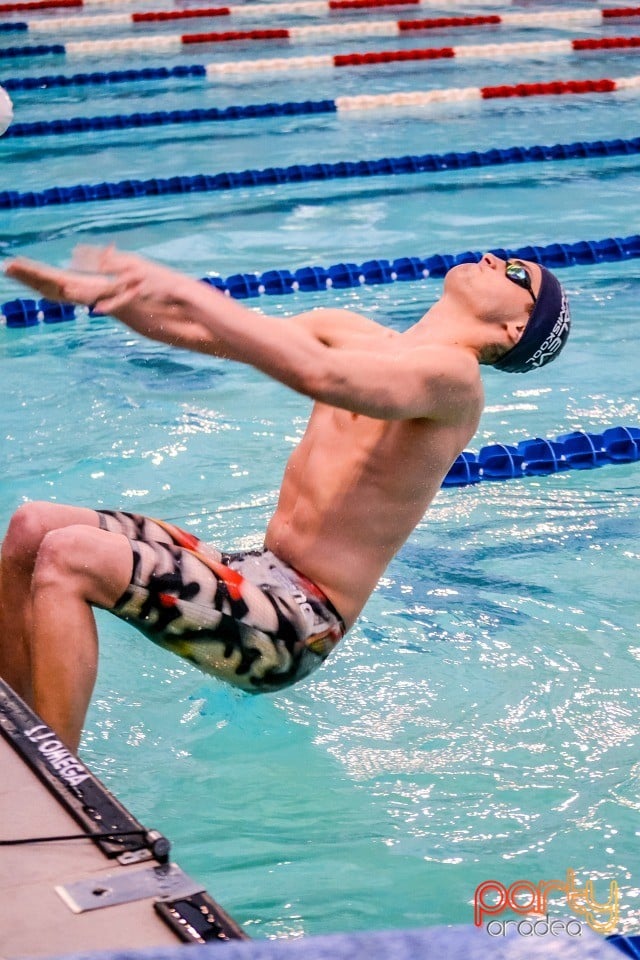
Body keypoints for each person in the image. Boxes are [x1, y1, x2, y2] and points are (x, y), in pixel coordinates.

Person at [0, 246, 571, 752]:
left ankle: (62, 797)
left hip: (298, 622)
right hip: (250, 572)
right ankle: (16, 732)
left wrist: (182, 288)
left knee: (69, 556)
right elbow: (209, 336)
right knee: (32, 526)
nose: (497, 260)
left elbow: (319, 375)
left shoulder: (455, 381)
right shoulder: (347, 329)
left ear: (515, 330)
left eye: (518, 272)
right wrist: (109, 299)